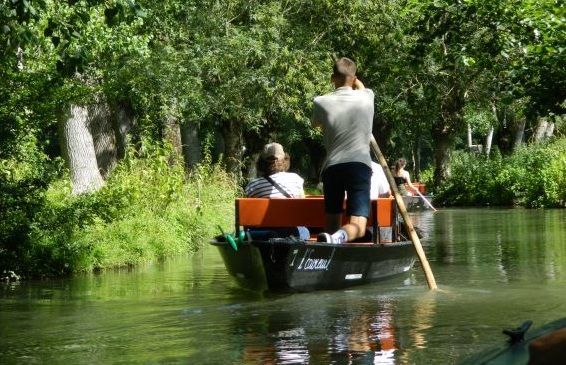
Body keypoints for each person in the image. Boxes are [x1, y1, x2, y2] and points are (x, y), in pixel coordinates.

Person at [312, 57, 374, 244]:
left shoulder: (320, 101)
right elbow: (363, 89)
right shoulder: (367, 96)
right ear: (355, 78)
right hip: (358, 166)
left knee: (332, 221)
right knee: (359, 225)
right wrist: (357, 84)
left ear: (333, 78)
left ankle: (332, 244)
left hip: (332, 167)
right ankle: (339, 238)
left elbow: (317, 125)